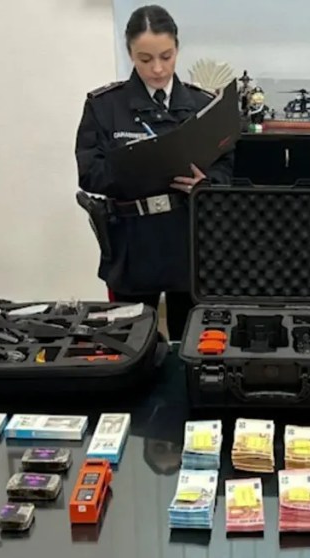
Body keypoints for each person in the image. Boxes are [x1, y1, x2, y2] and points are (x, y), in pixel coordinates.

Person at [74, 5, 234, 340]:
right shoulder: (104, 106)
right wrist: (135, 168)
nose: (158, 68)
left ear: (177, 48)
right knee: (129, 339)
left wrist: (207, 184)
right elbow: (89, 173)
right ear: (129, 53)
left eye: (166, 56)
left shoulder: (203, 104)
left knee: (190, 339)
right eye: (145, 59)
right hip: (132, 240)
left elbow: (225, 165)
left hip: (189, 238)